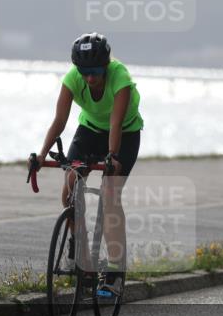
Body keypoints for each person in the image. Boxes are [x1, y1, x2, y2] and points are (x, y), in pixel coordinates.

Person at [34, 32, 143, 296]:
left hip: (125, 134)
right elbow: (59, 121)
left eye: (95, 71)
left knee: (109, 195)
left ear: (105, 66)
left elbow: (115, 124)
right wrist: (41, 155)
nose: (90, 78)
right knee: (69, 188)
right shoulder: (73, 78)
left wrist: (112, 158)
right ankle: (82, 255)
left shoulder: (121, 78)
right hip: (90, 130)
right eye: (85, 71)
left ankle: (115, 272)